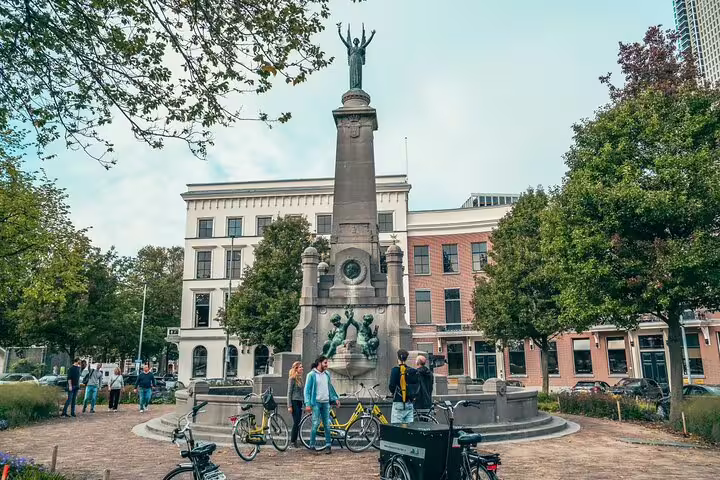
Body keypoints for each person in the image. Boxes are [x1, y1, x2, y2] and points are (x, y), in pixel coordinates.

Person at [304, 355, 340, 453]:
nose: (326, 365)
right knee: (315, 424)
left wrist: (335, 398)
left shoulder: (327, 374)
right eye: (325, 363)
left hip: (325, 403)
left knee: (327, 425)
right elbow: (307, 390)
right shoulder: (311, 375)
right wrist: (307, 404)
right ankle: (312, 446)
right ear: (319, 363)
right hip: (316, 403)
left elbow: (330, 388)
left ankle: (328, 446)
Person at [388, 349, 418, 423]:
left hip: (398, 401)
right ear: (406, 358)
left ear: (397, 358)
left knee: (397, 430)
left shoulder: (395, 370)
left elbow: (391, 386)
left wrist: (393, 392)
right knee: (409, 429)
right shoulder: (412, 371)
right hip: (409, 402)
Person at [287, 361, 304, 448]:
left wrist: (304, 403)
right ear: (296, 369)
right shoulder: (292, 379)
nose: (302, 368)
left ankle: (295, 441)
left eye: (302, 367)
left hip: (299, 402)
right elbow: (289, 392)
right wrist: (289, 406)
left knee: (298, 422)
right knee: (296, 422)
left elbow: (302, 392)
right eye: (300, 367)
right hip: (294, 402)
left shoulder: (300, 378)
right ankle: (292, 442)